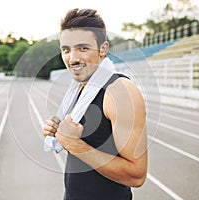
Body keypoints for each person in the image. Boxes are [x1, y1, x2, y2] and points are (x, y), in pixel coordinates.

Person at [43, 8, 147, 200]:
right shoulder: (81, 90)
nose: (73, 58)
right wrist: (59, 131)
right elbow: (93, 140)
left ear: (103, 49)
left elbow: (137, 174)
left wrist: (75, 145)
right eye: (66, 49)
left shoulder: (120, 92)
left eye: (83, 48)